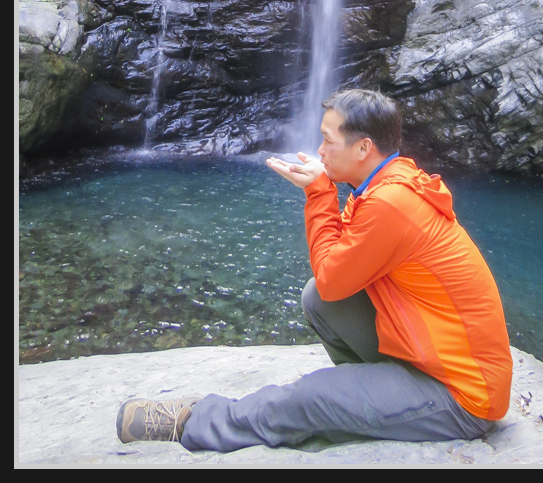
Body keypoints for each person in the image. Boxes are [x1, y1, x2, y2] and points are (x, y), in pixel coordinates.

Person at [116, 89, 513, 450]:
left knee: (310, 396)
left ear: (363, 148)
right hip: (426, 360)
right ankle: (368, 399)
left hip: (461, 396)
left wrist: (318, 193)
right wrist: (322, 189)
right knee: (318, 301)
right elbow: (337, 276)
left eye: (328, 140)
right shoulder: (388, 182)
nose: (319, 149)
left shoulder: (392, 203)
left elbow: (333, 275)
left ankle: (194, 421)